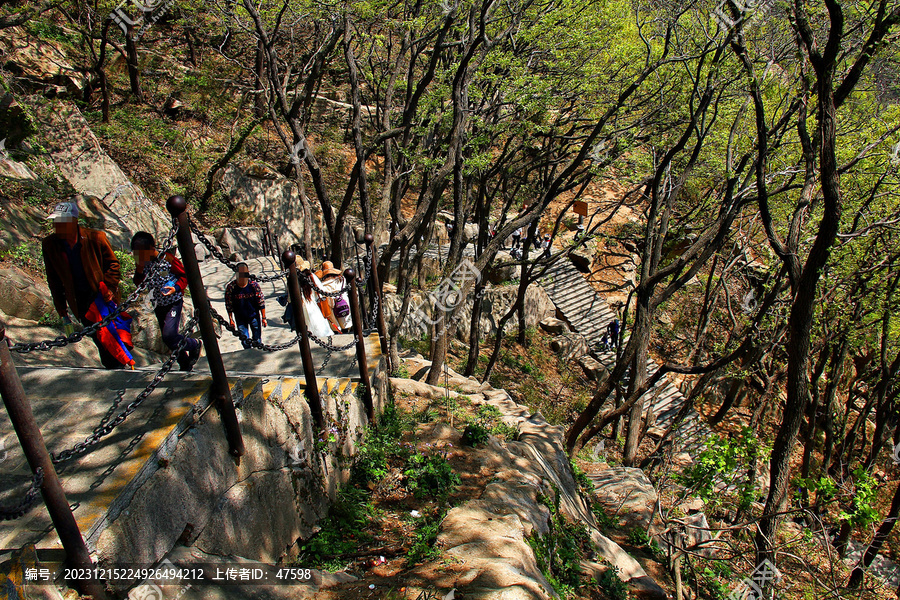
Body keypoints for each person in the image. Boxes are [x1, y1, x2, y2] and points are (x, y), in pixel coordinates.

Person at [42, 199, 123, 369]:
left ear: (74, 222)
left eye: (62, 222)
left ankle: (117, 367)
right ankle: (114, 366)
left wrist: (110, 287)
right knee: (96, 334)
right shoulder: (50, 245)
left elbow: (113, 265)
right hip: (79, 299)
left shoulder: (96, 238)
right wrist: (61, 307)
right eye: (56, 222)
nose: (58, 227)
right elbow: (53, 279)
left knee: (110, 332)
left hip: (101, 295)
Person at [131, 231, 202, 371]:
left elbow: (184, 275)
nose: (137, 256)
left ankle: (194, 344)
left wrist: (176, 288)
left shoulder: (167, 259)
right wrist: (139, 271)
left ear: (151, 249)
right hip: (158, 303)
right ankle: (185, 363)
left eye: (140, 253)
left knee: (169, 335)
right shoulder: (142, 264)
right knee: (167, 338)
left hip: (173, 302)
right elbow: (139, 284)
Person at [224, 262, 267, 349]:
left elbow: (261, 302)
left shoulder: (253, 286)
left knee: (257, 338)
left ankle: (257, 353)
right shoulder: (231, 287)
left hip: (254, 315)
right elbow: (229, 304)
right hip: (240, 317)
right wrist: (231, 319)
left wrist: (263, 318)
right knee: (244, 339)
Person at [298, 259, 334, 339]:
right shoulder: (311, 276)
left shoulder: (293, 279)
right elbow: (321, 290)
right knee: (318, 325)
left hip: (300, 306)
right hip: (313, 304)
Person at [319, 261, 352, 333]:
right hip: (343, 300)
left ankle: (337, 330)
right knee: (344, 319)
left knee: (334, 318)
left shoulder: (323, 284)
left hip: (330, 302)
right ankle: (346, 330)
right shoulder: (342, 279)